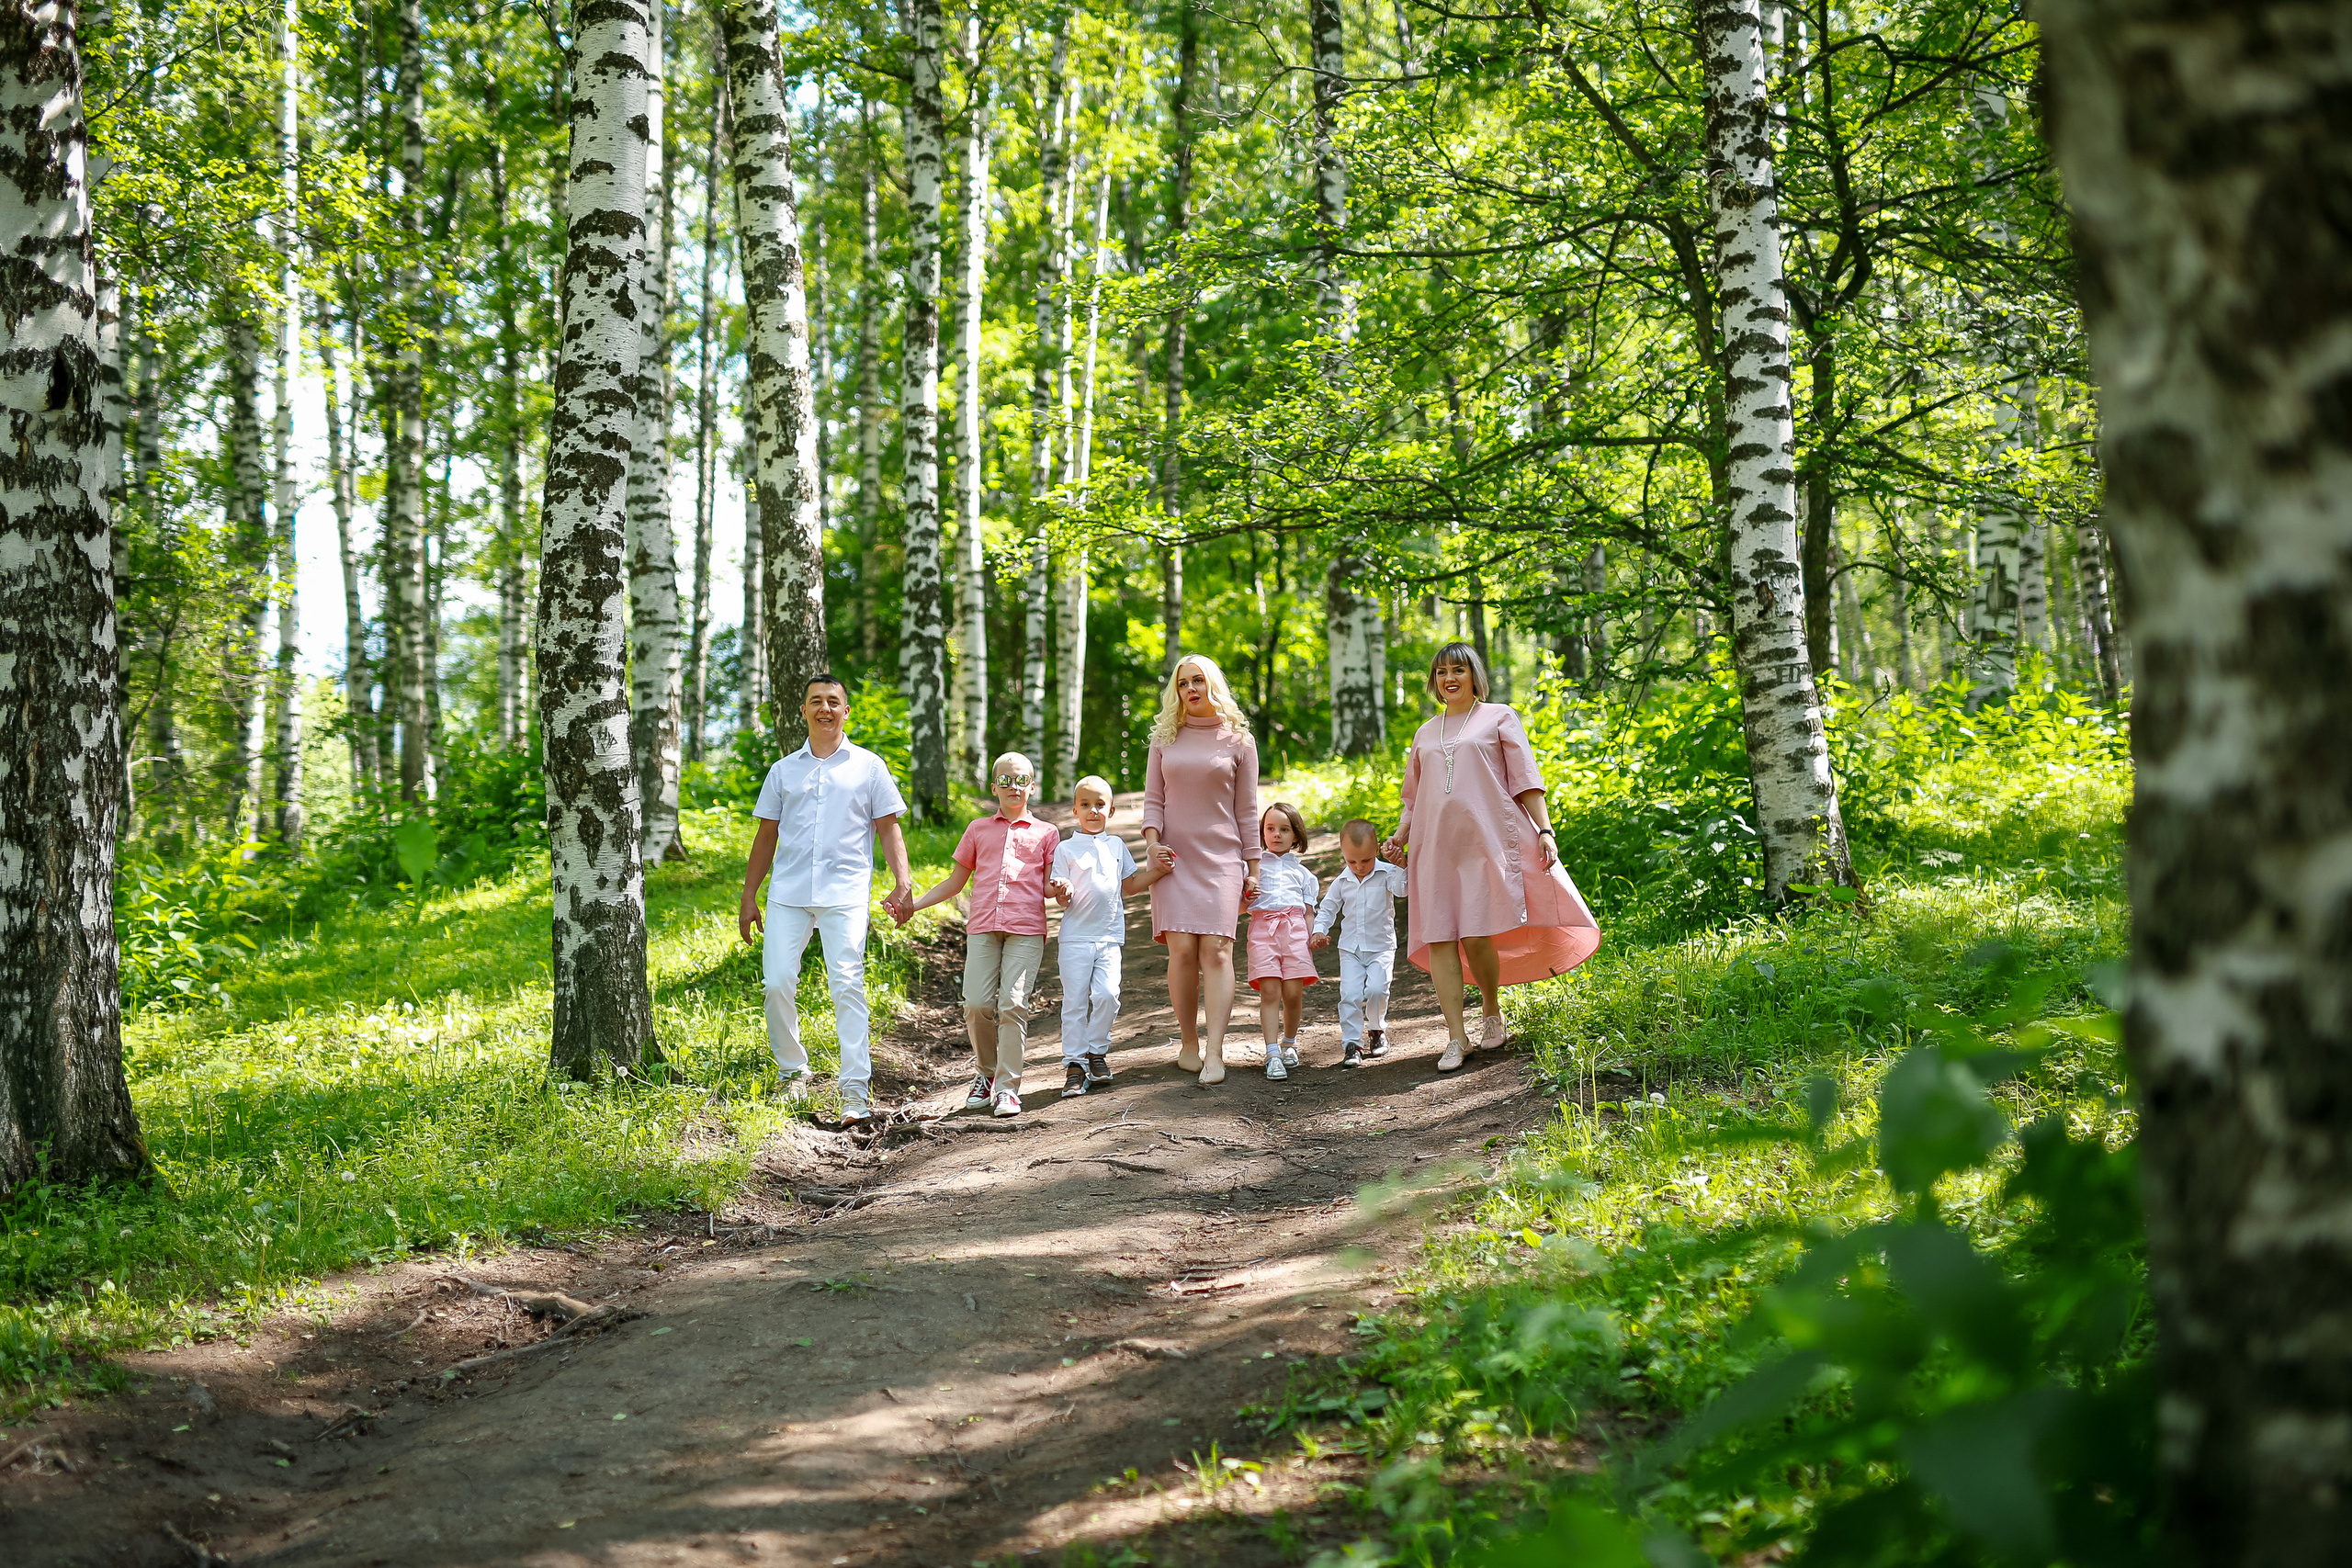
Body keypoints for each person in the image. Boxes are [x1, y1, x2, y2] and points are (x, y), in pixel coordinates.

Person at [1382, 642, 1601, 1072]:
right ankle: (1455, 1037)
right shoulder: (1425, 732)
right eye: (1442, 671)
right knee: (1440, 935)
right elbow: (1414, 798)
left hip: (1485, 844)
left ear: (1474, 675)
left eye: (1458, 670)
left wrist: (1544, 829)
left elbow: (1526, 780)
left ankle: (1489, 1010)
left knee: (1476, 934)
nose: (1450, 678)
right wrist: (1400, 837)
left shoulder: (1499, 716)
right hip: (1434, 847)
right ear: (1434, 680)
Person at [738, 674, 914, 1124]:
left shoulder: (869, 767)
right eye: (816, 701)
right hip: (788, 892)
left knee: (847, 984)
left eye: (833, 701)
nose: (825, 709)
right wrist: (748, 895)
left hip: (846, 892)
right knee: (777, 982)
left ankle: (855, 1089)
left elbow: (888, 826)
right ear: (803, 711)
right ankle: (792, 1072)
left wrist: (903, 882)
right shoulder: (783, 770)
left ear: (845, 710)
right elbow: (766, 836)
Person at [891, 754, 1064, 1118]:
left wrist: (1062, 889)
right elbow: (955, 883)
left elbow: (1048, 887)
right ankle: (985, 1074)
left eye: (1021, 781)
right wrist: (913, 905)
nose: (1013, 787)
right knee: (977, 1004)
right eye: (1005, 781)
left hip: (1026, 930)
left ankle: (1007, 1088)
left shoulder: (1047, 833)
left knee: (1013, 1004)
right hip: (983, 927)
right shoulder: (977, 829)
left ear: (1032, 787)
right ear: (994, 787)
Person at [1140, 653, 1261, 1087]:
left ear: (1213, 685)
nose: (1191, 689)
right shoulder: (1164, 739)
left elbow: (1247, 811)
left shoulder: (1239, 741)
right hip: (1174, 861)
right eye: (1183, 683)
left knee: (1217, 950)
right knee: (1183, 953)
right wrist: (1153, 847)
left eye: (1198, 681)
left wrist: (1254, 867)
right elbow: (1153, 801)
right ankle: (1188, 1043)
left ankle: (1215, 1051)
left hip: (1222, 860)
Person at [1050, 774, 1176, 1098]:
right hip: (1075, 938)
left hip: (1108, 937)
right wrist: (1062, 891)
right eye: (1085, 805)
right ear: (1075, 811)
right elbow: (1058, 892)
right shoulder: (1065, 849)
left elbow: (1129, 885)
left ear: (1112, 810)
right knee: (1075, 1002)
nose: (1093, 811)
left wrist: (1158, 872)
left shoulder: (1117, 846)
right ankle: (1076, 1065)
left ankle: (1096, 1052)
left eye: (1100, 805)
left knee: (1107, 995)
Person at [1311, 818, 1409, 1068]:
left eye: (1365, 860)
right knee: (1351, 995)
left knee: (1378, 989)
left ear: (1377, 849)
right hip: (1350, 949)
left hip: (1381, 946)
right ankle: (1352, 1044)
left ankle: (1377, 1030)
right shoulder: (1342, 881)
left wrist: (1402, 866)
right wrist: (1319, 930)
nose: (1359, 866)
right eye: (1351, 861)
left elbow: (1403, 890)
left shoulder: (1387, 873)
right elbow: (1327, 909)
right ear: (1343, 855)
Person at [1247, 801, 1319, 1080]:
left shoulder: (1303, 874)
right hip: (1263, 932)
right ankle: (1272, 1052)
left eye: (1284, 829)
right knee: (1270, 992)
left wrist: (1312, 936)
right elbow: (1244, 903)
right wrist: (1247, 894)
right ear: (1262, 833)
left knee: (1292, 993)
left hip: (1295, 933)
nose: (1276, 834)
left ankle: (1289, 1042)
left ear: (1296, 837)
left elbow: (1309, 911)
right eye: (1270, 828)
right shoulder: (1253, 868)